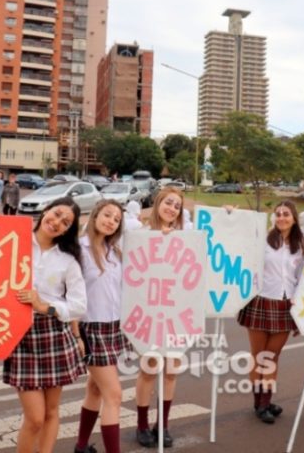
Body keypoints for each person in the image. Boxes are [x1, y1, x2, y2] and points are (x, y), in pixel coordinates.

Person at [3, 197, 87, 453]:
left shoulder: (68, 260)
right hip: (19, 334)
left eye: (66, 222)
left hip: (52, 334)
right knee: (35, 417)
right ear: (47, 209)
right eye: (57, 213)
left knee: (51, 411)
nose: (57, 222)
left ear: (67, 230)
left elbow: (78, 305)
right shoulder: (12, 241)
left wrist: (45, 307)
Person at [237, 200, 304, 425]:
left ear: (293, 218)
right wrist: (230, 215)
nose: (282, 218)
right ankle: (260, 404)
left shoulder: (301, 245)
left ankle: (265, 402)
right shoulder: (264, 241)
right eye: (278, 214)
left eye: (286, 214)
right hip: (261, 300)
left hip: (286, 304)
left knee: (273, 357)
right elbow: (237, 241)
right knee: (259, 357)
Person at [74, 200, 129, 453]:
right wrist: (77, 335)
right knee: (114, 394)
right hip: (91, 327)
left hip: (113, 327)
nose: (110, 221)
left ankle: (82, 445)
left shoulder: (115, 251)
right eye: (107, 215)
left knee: (96, 387)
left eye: (116, 219)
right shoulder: (79, 249)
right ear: (95, 215)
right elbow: (69, 294)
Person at [135, 187, 185, 448]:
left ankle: (162, 424)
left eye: (177, 206)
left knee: (171, 372)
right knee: (149, 369)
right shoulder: (140, 235)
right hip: (149, 314)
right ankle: (142, 424)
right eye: (168, 203)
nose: (172, 208)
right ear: (157, 204)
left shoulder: (185, 238)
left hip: (176, 315)